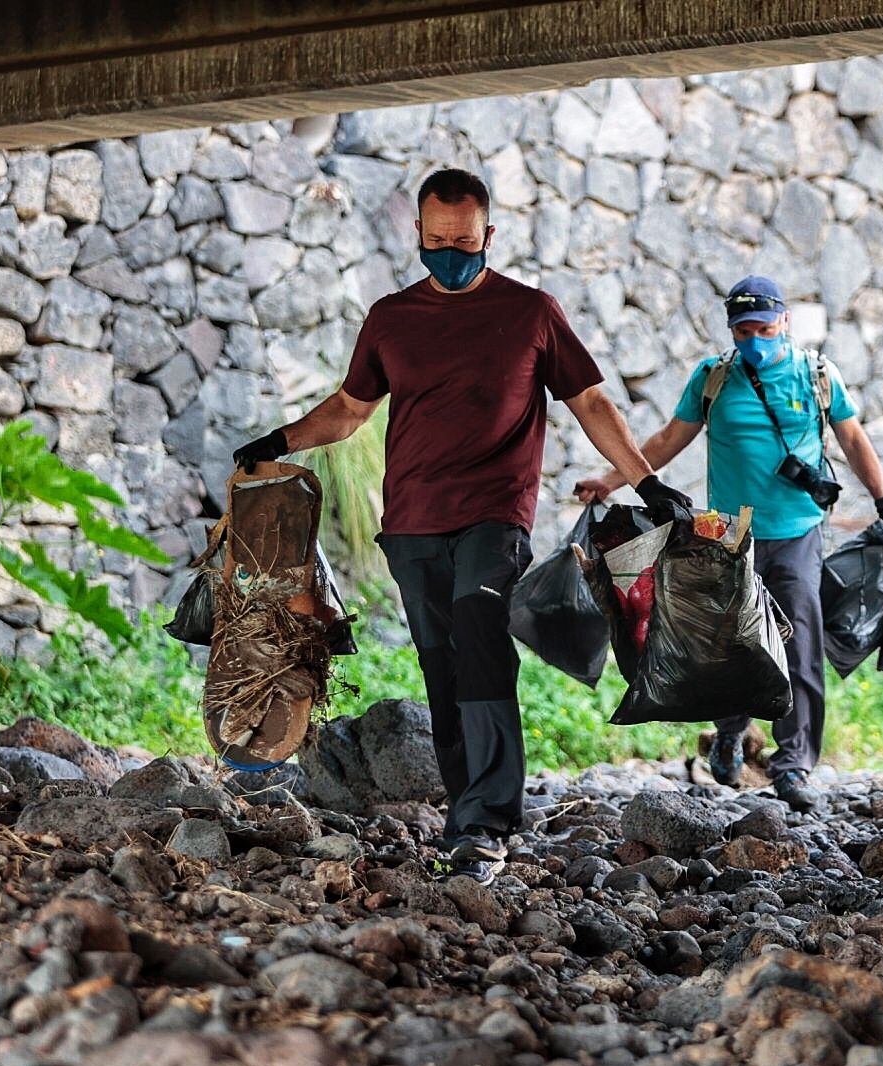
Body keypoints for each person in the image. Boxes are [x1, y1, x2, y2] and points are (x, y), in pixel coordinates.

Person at [233, 168, 688, 883]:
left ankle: (487, 822)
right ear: (417, 233)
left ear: (488, 236)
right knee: (442, 663)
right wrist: (278, 441)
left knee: (480, 634)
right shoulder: (391, 318)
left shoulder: (532, 312)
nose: (452, 251)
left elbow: (592, 402)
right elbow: (351, 410)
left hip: (494, 513)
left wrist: (647, 481)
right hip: (412, 522)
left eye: (466, 241)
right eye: (439, 239)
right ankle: (463, 814)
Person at [576, 276, 883, 812]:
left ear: (785, 322)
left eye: (764, 328)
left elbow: (853, 438)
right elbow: (665, 440)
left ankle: (793, 763)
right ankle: (729, 733)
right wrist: (611, 481)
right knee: (727, 642)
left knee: (799, 645)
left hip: (797, 530)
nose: (754, 338)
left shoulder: (817, 375)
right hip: (728, 536)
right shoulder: (714, 378)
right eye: (743, 329)